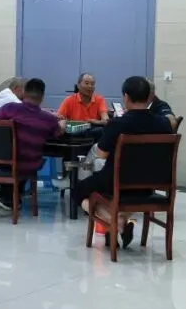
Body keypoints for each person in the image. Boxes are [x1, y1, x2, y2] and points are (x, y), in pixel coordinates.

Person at [73, 75, 174, 248]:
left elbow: (101, 154)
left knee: (79, 191)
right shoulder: (164, 124)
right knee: (129, 196)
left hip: (116, 181)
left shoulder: (117, 124)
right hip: (148, 184)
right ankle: (119, 220)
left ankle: (115, 222)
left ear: (126, 97)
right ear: (149, 97)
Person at [0, 77, 64, 210]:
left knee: (13, 156)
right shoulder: (49, 119)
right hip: (30, 163)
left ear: (24, 93)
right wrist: (62, 125)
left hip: (5, 161)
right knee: (23, 158)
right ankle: (13, 196)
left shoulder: (9, 108)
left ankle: (9, 198)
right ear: (42, 97)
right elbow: (58, 134)